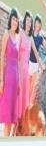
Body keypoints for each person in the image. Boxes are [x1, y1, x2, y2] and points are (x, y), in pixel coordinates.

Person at [0, 9, 21, 137]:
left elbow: (18, 61)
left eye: (17, 20)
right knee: (7, 112)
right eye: (13, 19)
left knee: (13, 114)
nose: (15, 22)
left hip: (15, 78)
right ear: (10, 20)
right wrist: (1, 80)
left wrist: (18, 81)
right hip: (7, 76)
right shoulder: (6, 34)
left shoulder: (18, 37)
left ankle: (8, 139)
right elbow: (2, 57)